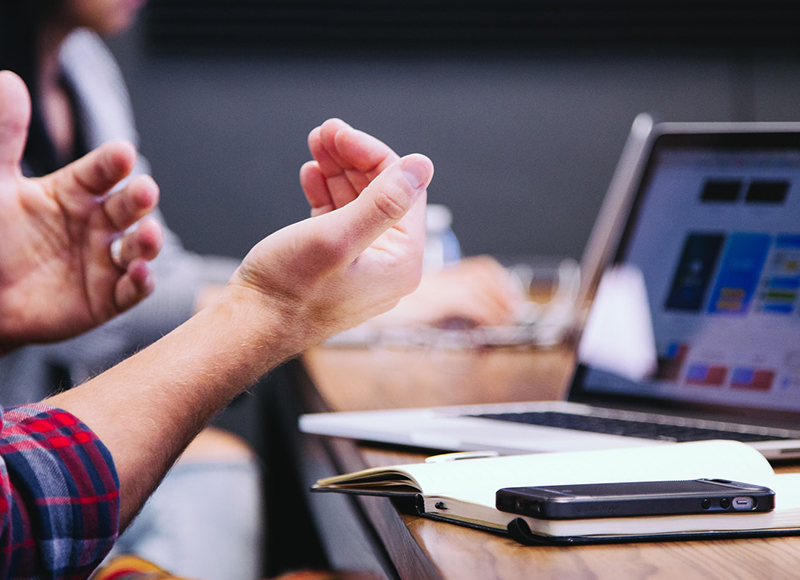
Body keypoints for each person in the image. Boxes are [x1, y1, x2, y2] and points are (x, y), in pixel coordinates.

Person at [0, 0, 520, 577]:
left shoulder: (83, 65)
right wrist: (283, 305)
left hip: (38, 449)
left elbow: (144, 278)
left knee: (227, 477)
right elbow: (18, 513)